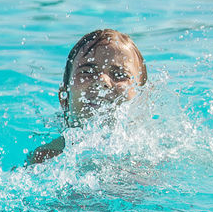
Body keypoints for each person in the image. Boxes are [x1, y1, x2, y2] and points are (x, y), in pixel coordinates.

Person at [26, 29, 148, 165]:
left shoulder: (153, 156)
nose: (102, 81)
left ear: (142, 100)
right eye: (88, 71)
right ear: (64, 98)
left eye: (119, 74)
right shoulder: (47, 158)